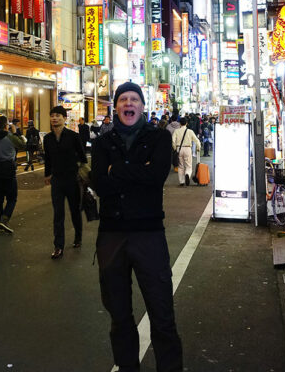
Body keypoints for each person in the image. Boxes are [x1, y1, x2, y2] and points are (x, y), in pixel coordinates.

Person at [91, 81, 183, 372]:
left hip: (149, 234)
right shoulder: (104, 142)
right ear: (116, 107)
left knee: (162, 314)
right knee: (119, 316)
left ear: (143, 106)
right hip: (111, 235)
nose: (128, 104)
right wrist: (136, 172)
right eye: (123, 100)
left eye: (134, 99)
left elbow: (156, 176)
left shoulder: (158, 138)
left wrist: (114, 171)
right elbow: (99, 183)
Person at [44, 105, 87, 259]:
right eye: (52, 115)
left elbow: (82, 157)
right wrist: (47, 174)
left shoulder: (73, 137)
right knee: (58, 214)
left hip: (72, 180)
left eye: (58, 115)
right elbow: (47, 158)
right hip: (57, 180)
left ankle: (78, 237)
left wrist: (78, 170)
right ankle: (58, 246)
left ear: (64, 118)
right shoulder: (48, 138)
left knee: (75, 211)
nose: (54, 118)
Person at [0, 115, 23, 233]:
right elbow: (22, 145)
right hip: (8, 171)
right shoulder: (11, 138)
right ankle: (4, 220)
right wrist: (15, 132)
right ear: (6, 126)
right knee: (12, 198)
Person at [172, 117, 201, 186]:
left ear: (179, 123)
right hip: (187, 148)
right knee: (188, 165)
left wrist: (175, 148)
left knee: (180, 166)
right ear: (186, 123)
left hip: (179, 148)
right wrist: (198, 148)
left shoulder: (176, 131)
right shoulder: (190, 131)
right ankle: (187, 174)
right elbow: (197, 140)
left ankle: (181, 182)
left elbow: (173, 141)